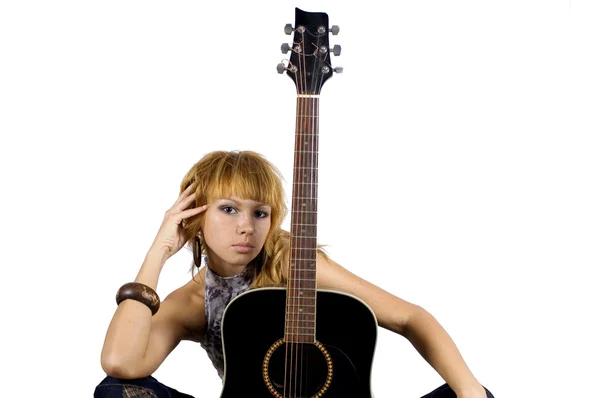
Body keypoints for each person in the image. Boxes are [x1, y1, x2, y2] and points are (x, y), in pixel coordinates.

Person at [95, 150, 495, 398]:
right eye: (228, 209)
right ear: (195, 215)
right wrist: (158, 252)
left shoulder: (293, 261)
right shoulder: (192, 302)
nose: (246, 227)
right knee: (114, 392)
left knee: (475, 392)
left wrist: (469, 391)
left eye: (260, 212)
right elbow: (120, 363)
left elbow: (410, 317)